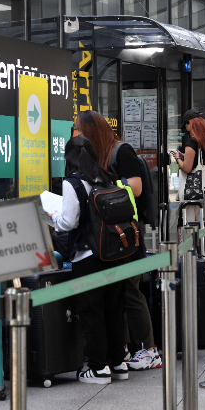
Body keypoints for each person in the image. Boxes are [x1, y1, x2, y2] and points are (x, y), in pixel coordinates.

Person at [74, 110, 161, 371]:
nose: (77, 135)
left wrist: (107, 182)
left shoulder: (121, 151)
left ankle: (147, 349)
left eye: (80, 130)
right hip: (111, 236)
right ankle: (123, 350)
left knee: (132, 291)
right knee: (117, 295)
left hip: (127, 233)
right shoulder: (98, 154)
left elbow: (135, 187)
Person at [48, 136, 129, 384]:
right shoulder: (107, 176)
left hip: (88, 256)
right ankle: (118, 363)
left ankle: (97, 368)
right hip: (115, 253)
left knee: (92, 311)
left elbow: (69, 222)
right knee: (114, 310)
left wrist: (52, 216)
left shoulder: (73, 183)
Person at [173, 110, 205, 221]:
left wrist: (178, 158)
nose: (186, 128)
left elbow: (187, 168)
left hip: (193, 192)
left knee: (190, 228)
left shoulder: (192, 142)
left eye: (186, 124)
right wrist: (186, 156)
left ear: (190, 123)